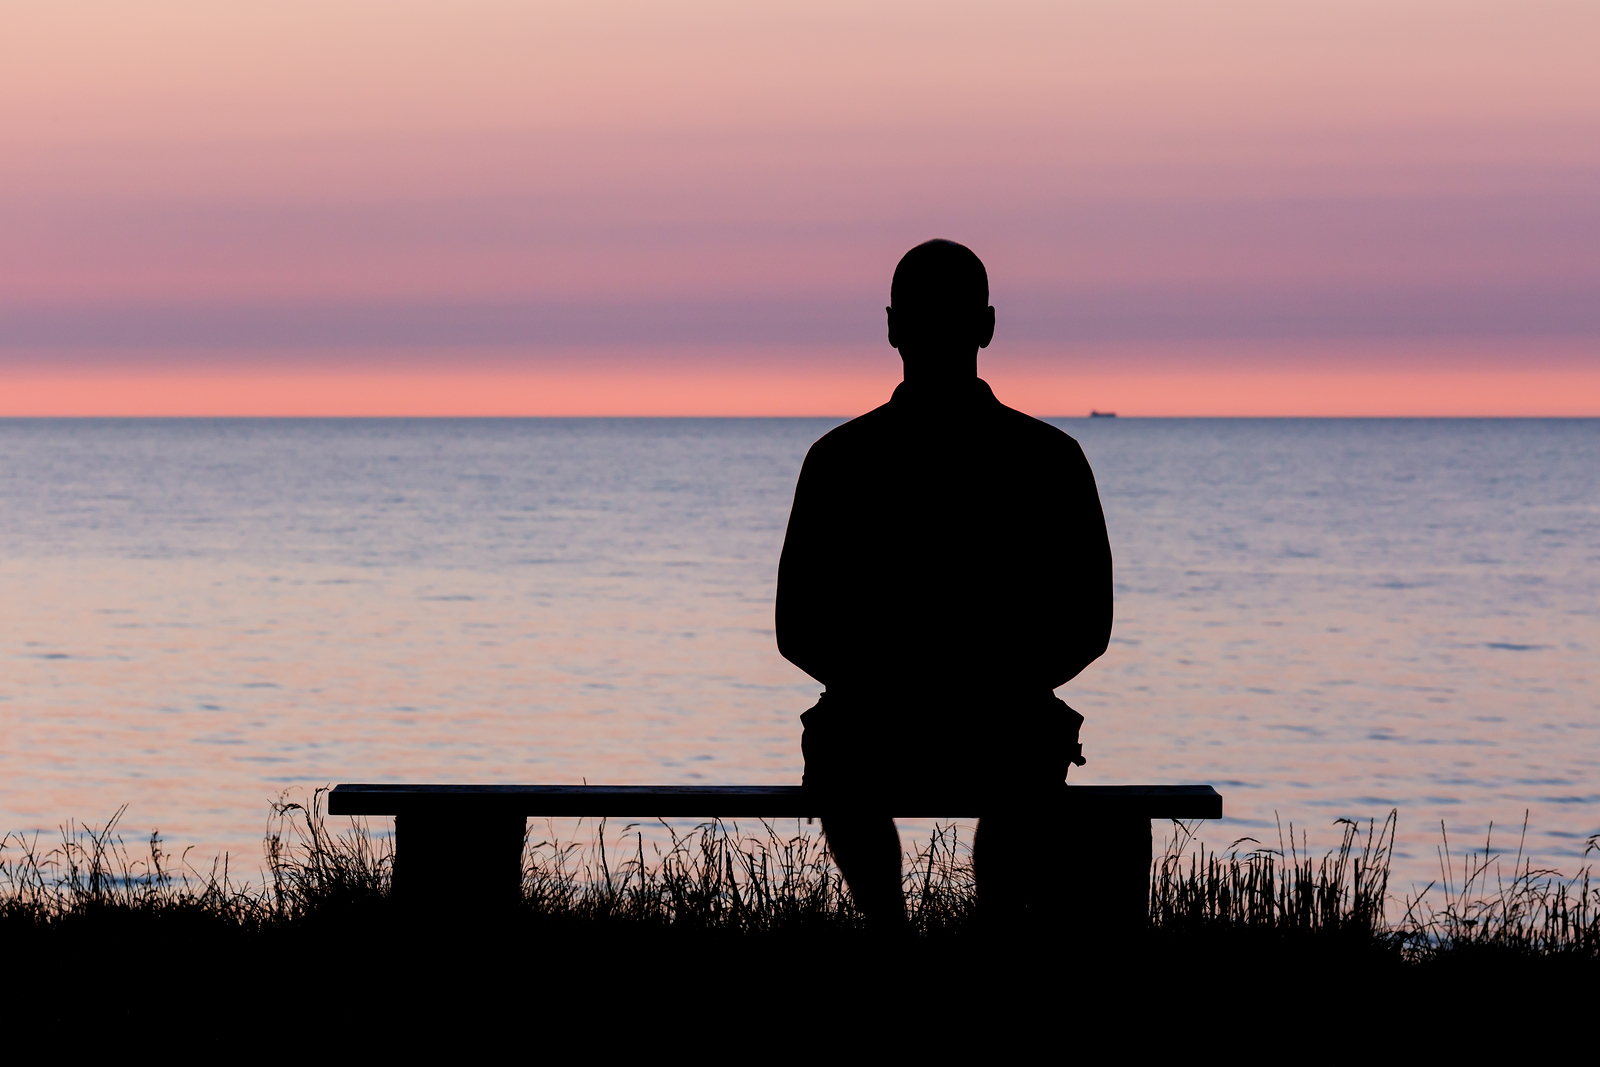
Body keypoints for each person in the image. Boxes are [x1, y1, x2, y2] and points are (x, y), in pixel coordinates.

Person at [775, 238, 1113, 931]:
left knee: (845, 751)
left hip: (875, 724)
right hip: (1005, 722)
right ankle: (990, 929)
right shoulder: (1050, 459)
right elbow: (1087, 623)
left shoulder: (839, 460)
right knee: (1024, 750)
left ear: (892, 325)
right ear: (987, 326)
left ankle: (890, 929)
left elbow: (798, 626)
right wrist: (1005, 681)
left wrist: (880, 682)